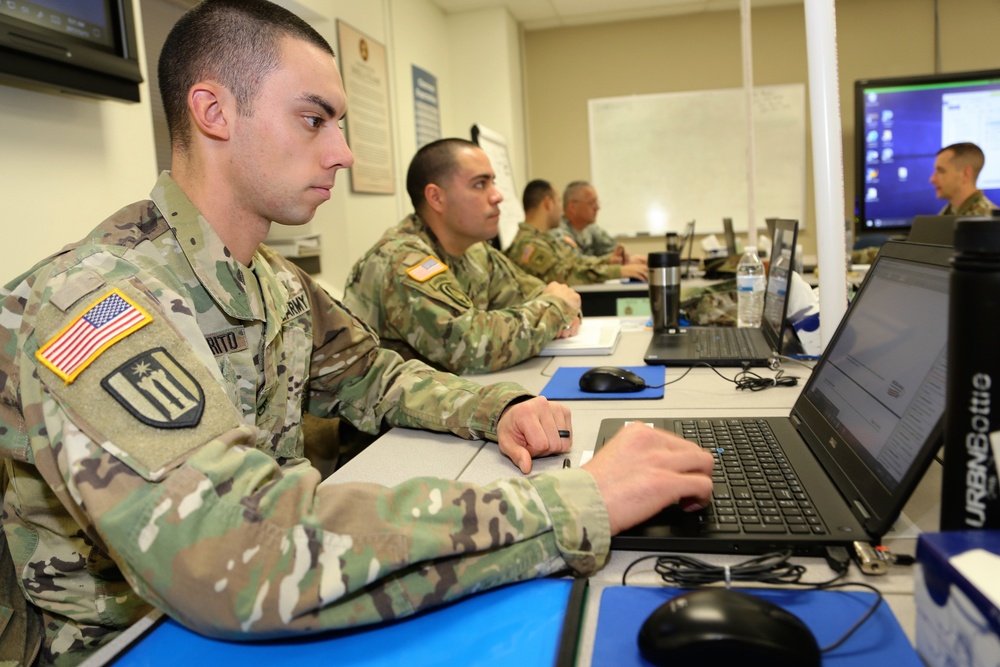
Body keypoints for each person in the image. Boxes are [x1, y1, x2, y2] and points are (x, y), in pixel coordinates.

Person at [0, 2, 715, 663]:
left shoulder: (272, 279)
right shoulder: (94, 300)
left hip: (257, 608)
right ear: (214, 111)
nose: (342, 153)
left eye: (341, 123)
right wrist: (576, 500)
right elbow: (237, 547)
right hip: (131, 639)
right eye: (316, 120)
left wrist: (496, 407)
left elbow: (374, 373)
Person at [343, 139, 583, 374]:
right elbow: (471, 347)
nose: (497, 196)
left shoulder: (475, 251)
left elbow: (543, 293)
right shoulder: (402, 261)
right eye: (480, 184)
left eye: (493, 183)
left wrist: (560, 308)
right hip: (393, 411)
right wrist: (556, 310)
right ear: (436, 198)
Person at [505, 179, 648, 284]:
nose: (561, 209)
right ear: (548, 203)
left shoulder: (545, 239)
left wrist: (610, 261)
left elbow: (576, 262)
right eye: (559, 201)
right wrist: (619, 271)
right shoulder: (530, 246)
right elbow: (566, 276)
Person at [551, 180, 646, 267]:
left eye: (597, 202)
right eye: (592, 203)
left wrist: (625, 257)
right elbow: (576, 264)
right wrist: (609, 261)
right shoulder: (558, 231)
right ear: (572, 207)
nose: (597, 207)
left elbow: (613, 249)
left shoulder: (591, 229)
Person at [930, 142, 998, 215]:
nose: (932, 179)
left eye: (941, 171)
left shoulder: (989, 221)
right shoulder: (948, 213)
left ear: (966, 174)